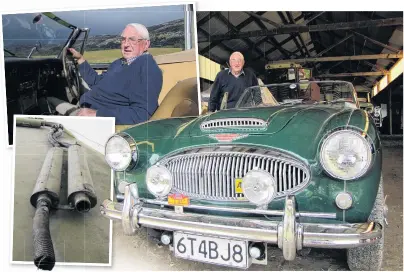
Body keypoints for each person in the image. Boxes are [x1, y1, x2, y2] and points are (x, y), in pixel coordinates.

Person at [48, 23, 163, 125]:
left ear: (146, 44)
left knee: (46, 100)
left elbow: (141, 114)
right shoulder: (120, 62)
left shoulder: (148, 70)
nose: (126, 44)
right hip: (86, 107)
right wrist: (80, 60)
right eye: (123, 39)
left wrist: (97, 114)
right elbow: (98, 82)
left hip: (93, 119)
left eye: (132, 39)